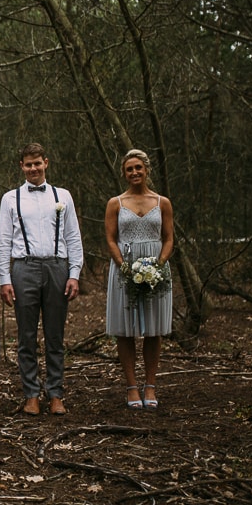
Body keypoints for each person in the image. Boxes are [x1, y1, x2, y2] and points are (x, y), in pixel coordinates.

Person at [0, 142, 84, 416]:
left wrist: (74, 273)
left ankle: (56, 394)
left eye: (37, 163)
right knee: (26, 335)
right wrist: (5, 278)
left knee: (55, 335)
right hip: (24, 268)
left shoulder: (63, 196)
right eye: (28, 164)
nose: (33, 168)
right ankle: (31, 394)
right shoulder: (11, 198)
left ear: (46, 162)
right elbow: (3, 241)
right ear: (21, 166)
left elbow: (73, 237)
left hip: (57, 267)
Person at [105, 149, 174, 410]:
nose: (134, 173)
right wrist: (124, 266)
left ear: (146, 170)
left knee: (154, 329)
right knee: (125, 329)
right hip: (125, 268)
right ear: (124, 173)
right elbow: (111, 239)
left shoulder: (162, 202)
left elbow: (168, 238)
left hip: (156, 268)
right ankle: (131, 386)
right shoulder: (116, 203)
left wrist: (159, 264)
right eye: (129, 169)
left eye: (138, 168)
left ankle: (151, 384)